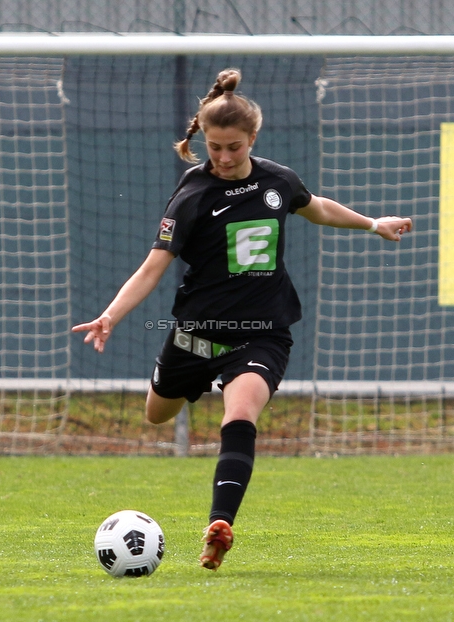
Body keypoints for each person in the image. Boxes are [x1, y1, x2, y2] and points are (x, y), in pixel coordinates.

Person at [72, 68, 412, 571]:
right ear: (204, 141)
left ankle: (219, 525)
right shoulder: (191, 197)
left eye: (234, 147)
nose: (225, 158)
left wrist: (371, 223)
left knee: (240, 416)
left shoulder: (278, 180)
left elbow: (315, 207)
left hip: (262, 331)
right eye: (214, 148)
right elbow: (152, 267)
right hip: (195, 333)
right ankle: (194, 386)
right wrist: (109, 316)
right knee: (156, 414)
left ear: (253, 138)